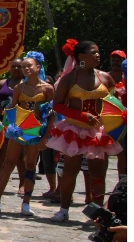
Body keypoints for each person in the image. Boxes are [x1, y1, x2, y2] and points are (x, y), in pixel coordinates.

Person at [48, 40, 122, 222]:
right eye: (93, 52)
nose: (98, 55)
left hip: (98, 131)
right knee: (70, 171)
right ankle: (64, 209)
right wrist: (81, 116)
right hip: (75, 130)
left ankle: (96, 214)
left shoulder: (106, 78)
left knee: (98, 173)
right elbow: (57, 105)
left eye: (98, 52)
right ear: (81, 57)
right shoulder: (69, 79)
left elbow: (113, 105)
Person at [0, 52, 55, 216]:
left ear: (38, 67)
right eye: (24, 66)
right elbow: (12, 109)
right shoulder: (20, 88)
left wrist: (46, 136)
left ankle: (26, 202)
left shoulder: (47, 88)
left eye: (29, 66)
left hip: (36, 131)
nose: (26, 69)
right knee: (9, 163)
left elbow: (52, 114)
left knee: (30, 165)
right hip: (18, 130)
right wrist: (8, 125)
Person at [0, 58, 26, 192]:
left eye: (20, 67)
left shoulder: (26, 84)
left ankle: (22, 184)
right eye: (14, 67)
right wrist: (2, 113)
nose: (16, 69)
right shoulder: (2, 83)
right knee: (0, 151)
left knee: (20, 154)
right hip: (1, 121)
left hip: (20, 122)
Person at [110, 50, 126, 177]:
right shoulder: (104, 78)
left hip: (125, 122)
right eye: (113, 59)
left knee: (124, 155)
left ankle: (123, 184)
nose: (115, 62)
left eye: (119, 59)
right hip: (107, 122)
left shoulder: (128, 79)